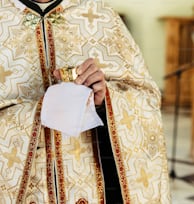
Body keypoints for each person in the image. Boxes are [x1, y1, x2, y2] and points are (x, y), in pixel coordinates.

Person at [0, 0, 171, 203]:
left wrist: (105, 99)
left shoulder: (101, 16)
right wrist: (36, 113)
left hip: (89, 186)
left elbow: (147, 99)